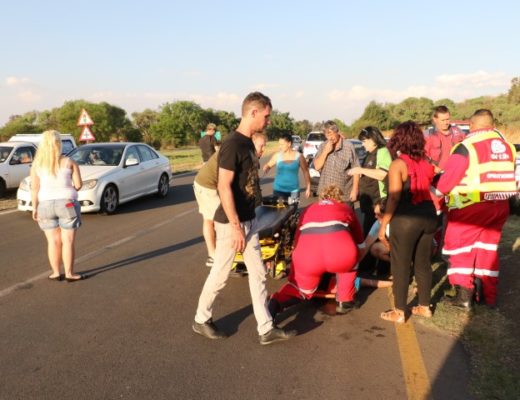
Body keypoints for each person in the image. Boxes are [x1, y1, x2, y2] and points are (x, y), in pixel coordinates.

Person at [192, 92, 296, 345]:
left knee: (258, 273)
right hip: (232, 223)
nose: (268, 121)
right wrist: (236, 227)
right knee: (220, 274)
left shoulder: (249, 143)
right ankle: (201, 319)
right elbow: (224, 186)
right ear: (253, 112)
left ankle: (266, 328)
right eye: (266, 116)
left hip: (249, 219)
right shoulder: (232, 145)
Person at [436, 109, 518, 309]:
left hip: (470, 207)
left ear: (472, 125)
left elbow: (446, 183)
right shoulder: (508, 147)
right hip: (500, 206)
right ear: (492, 125)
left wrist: (438, 195)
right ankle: (487, 295)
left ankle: (464, 295)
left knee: (460, 249)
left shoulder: (467, 147)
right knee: (487, 249)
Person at [268, 184, 365, 317]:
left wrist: (295, 269)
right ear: (339, 198)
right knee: (350, 263)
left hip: (309, 254)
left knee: (300, 287)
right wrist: (356, 256)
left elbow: (297, 239)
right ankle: (345, 299)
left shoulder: (309, 209)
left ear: (321, 198)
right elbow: (360, 241)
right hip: (340, 253)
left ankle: (277, 301)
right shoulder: (345, 208)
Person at [378, 121, 437, 323]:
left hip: (406, 219)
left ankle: (400, 311)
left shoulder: (398, 164)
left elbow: (394, 197)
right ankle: (424, 306)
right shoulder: (426, 161)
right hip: (429, 215)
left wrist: (384, 224)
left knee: (400, 265)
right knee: (423, 263)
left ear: (398, 139)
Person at [193, 131, 268, 268]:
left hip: (216, 184)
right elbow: (227, 186)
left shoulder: (250, 154)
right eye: (261, 146)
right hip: (207, 185)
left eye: (265, 146)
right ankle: (214, 256)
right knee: (216, 219)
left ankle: (226, 250)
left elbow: (252, 183)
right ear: (252, 143)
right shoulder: (237, 149)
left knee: (226, 216)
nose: (263, 150)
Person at [30, 130, 84, 282]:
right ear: (58, 144)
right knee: (68, 241)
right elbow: (78, 185)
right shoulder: (69, 162)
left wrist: (34, 208)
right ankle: (69, 274)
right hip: (67, 203)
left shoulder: (36, 165)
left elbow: (34, 188)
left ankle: (55, 273)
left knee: (53, 241)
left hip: (45, 205)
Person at [348, 126, 392, 235]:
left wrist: (360, 170)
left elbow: (382, 174)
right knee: (369, 237)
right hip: (369, 205)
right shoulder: (369, 154)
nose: (362, 145)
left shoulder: (382, 151)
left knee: (372, 238)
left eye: (364, 141)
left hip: (377, 203)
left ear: (372, 140)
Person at [313, 120, 360, 205]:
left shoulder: (348, 146)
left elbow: (356, 169)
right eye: (327, 135)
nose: (329, 138)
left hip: (344, 195)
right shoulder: (323, 146)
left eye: (331, 134)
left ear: (337, 132)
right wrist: (325, 152)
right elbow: (317, 166)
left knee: (344, 214)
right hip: (325, 195)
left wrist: (355, 189)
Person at [262, 133, 311, 200]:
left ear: (289, 144)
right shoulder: (277, 155)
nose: (280, 147)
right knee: (280, 207)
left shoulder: (299, 156)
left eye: (282, 144)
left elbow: (306, 172)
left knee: (293, 206)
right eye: (279, 144)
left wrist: (308, 187)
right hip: (278, 190)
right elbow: (269, 165)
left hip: (294, 191)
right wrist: (266, 167)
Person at [425, 105, 465, 174]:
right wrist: (432, 166)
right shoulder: (428, 135)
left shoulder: (458, 132)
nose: (446, 123)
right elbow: (422, 155)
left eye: (447, 119)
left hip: (456, 173)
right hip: (437, 174)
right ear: (435, 119)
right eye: (443, 120)